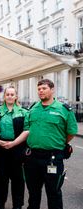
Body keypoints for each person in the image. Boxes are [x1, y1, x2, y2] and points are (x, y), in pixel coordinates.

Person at [24, 79, 78, 209]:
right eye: (39, 89)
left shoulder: (63, 109)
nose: (41, 91)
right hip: (33, 157)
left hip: (53, 158)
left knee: (53, 193)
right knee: (33, 193)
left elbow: (71, 131)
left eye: (44, 88)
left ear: (52, 90)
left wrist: (59, 142)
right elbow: (27, 129)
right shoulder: (32, 109)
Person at [0, 86, 29, 209]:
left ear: (16, 96)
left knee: (18, 179)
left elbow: (27, 131)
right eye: (7, 94)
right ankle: (0, 203)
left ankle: (17, 205)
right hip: (0, 149)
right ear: (4, 96)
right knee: (1, 178)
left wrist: (13, 144)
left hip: (18, 149)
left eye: (12, 94)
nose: (10, 96)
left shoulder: (24, 112)